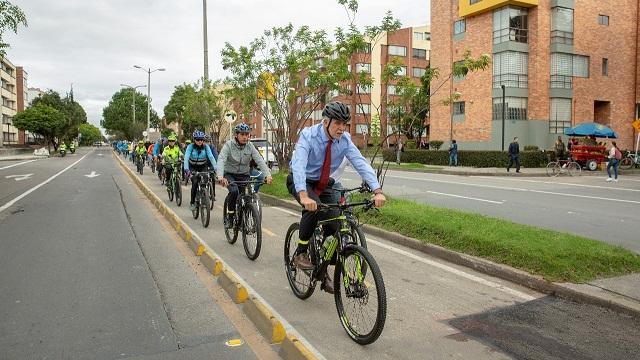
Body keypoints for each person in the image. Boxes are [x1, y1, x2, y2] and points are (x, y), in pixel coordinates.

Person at [287, 101, 385, 294]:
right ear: (325, 122)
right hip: (303, 182)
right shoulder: (309, 135)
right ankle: (301, 252)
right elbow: (298, 165)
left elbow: (360, 163)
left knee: (335, 221)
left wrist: (377, 190)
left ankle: (323, 266)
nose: (341, 128)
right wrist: (304, 195)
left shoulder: (345, 140)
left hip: (324, 184)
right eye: (337, 123)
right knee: (313, 209)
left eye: (344, 124)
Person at [217, 123, 272, 228]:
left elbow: (259, 160)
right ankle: (230, 216)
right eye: (242, 134)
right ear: (236, 135)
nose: (245, 137)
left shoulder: (250, 146)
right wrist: (220, 176)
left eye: (247, 134)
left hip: (244, 174)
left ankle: (244, 218)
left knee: (246, 197)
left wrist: (267, 175)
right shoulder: (229, 145)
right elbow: (221, 159)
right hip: (230, 174)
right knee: (234, 192)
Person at [183, 131, 217, 211]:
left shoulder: (206, 147)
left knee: (205, 180)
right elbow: (186, 158)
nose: (200, 141)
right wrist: (186, 169)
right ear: (194, 140)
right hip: (192, 167)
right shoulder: (190, 147)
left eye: (201, 140)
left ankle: (204, 195)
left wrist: (216, 168)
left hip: (203, 166)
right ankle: (192, 202)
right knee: (195, 182)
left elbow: (211, 157)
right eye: (198, 140)